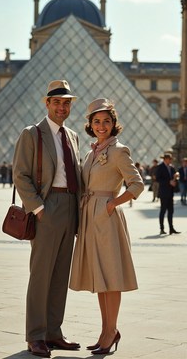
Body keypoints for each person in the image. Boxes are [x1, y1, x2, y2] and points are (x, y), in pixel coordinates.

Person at [69, 98, 144, 355]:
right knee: (100, 279)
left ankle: (111, 331)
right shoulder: (92, 152)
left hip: (107, 218)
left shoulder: (119, 150)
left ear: (114, 123)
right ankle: (105, 331)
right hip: (90, 217)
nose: (102, 126)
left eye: (107, 121)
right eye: (96, 121)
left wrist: (113, 203)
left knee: (111, 278)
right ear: (90, 124)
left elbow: (137, 184)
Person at [13, 80, 81, 358]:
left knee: (60, 275)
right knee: (41, 275)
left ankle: (54, 332)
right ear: (47, 103)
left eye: (66, 103)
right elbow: (20, 175)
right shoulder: (33, 134)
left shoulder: (73, 136)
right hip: (48, 205)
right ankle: (36, 335)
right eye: (57, 102)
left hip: (70, 206)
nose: (62, 107)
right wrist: (39, 209)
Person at [156, 153, 181, 235]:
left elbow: (174, 178)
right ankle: (161, 228)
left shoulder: (172, 167)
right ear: (165, 159)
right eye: (169, 159)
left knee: (171, 211)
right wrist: (169, 182)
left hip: (170, 192)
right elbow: (158, 179)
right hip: (163, 192)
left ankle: (171, 228)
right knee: (163, 211)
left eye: (171, 159)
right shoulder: (160, 167)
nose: (170, 160)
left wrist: (175, 179)